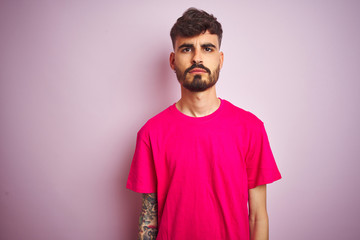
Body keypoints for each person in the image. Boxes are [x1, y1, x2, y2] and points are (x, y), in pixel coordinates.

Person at [126, 7, 281, 240]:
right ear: (172, 60)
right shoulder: (151, 133)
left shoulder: (251, 129)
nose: (197, 57)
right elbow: (149, 219)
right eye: (186, 48)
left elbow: (258, 216)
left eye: (207, 48)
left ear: (220, 59)